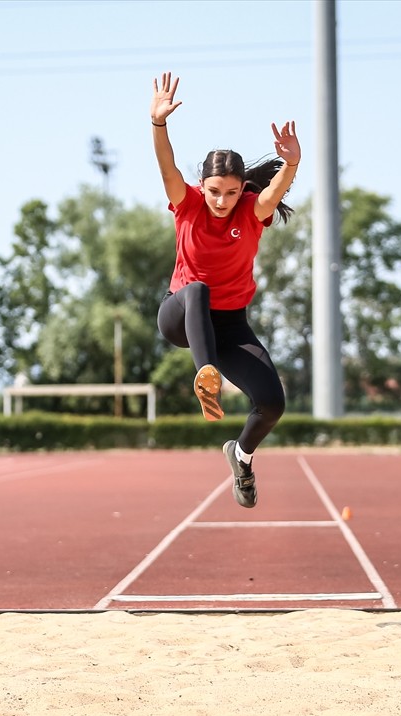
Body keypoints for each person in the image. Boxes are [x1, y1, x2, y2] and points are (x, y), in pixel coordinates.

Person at [150, 71, 299, 508]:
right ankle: (206, 374)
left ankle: (242, 456)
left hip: (230, 326)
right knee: (198, 288)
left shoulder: (252, 212)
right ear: (203, 185)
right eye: (215, 191)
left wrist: (291, 164)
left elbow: (272, 193)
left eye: (231, 193)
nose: (221, 200)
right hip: (181, 315)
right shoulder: (188, 202)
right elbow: (167, 167)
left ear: (241, 191)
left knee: (271, 404)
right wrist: (158, 124)